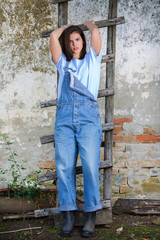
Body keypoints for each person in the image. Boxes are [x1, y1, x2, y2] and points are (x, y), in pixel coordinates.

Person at [50, 21, 102, 238]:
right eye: (70, 41)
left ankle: (91, 215)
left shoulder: (92, 60)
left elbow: (97, 36)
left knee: (90, 165)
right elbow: (53, 37)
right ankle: (69, 214)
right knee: (64, 167)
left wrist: (91, 27)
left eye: (77, 39)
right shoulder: (62, 64)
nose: (74, 44)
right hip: (64, 119)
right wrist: (64, 28)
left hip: (88, 118)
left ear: (83, 41)